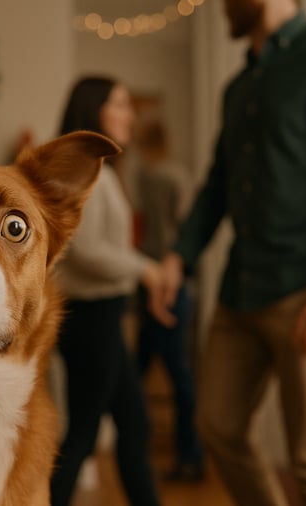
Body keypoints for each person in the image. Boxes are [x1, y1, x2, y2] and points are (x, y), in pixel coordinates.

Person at [153, 0, 306, 504]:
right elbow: (217, 185)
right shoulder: (238, 89)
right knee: (217, 424)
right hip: (240, 292)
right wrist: (179, 256)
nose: (221, 7)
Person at [50, 76, 173, 506]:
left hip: (104, 315)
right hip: (89, 317)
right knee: (83, 433)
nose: (130, 115)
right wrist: (147, 270)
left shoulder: (102, 171)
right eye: (119, 104)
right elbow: (83, 249)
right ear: (94, 110)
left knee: (134, 424)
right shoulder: (79, 173)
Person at [132, 119, 204, 482]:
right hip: (173, 281)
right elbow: (186, 230)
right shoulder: (175, 176)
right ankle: (181, 456)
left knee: (146, 374)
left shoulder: (147, 178)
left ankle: (182, 456)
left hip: (152, 278)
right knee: (177, 375)